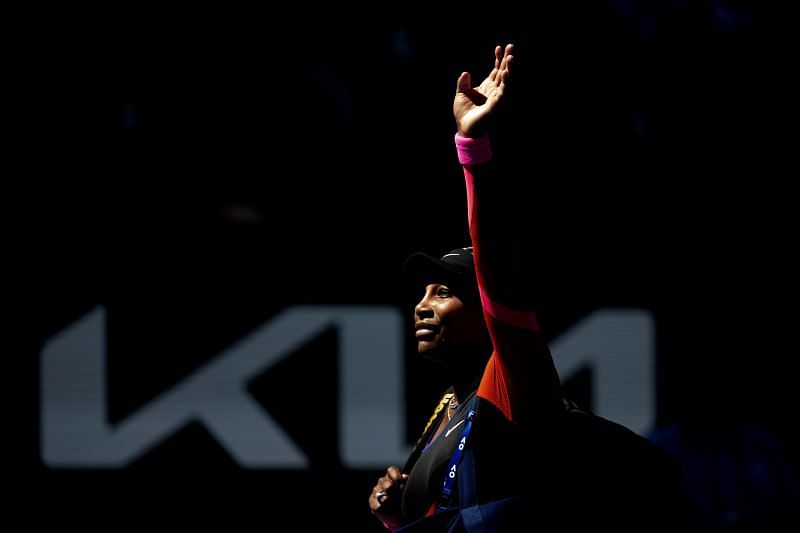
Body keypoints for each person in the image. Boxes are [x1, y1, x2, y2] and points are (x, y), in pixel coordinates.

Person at [368, 43, 689, 531]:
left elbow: (495, 258)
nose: (423, 306)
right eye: (423, 292)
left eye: (444, 292)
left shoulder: (513, 385)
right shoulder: (450, 407)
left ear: (487, 311)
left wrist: (471, 149)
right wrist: (397, 515)